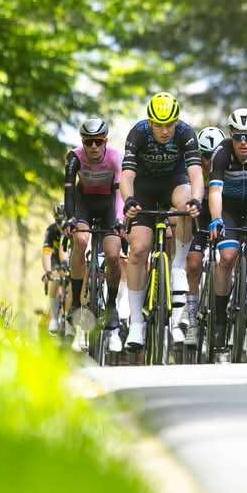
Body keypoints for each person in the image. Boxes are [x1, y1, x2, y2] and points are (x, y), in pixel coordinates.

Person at [120, 92, 203, 351]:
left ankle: (177, 268)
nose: (165, 131)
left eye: (170, 124)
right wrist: (128, 200)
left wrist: (197, 200)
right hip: (144, 187)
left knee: (186, 205)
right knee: (138, 250)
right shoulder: (138, 133)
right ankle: (136, 323)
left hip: (173, 182)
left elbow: (196, 173)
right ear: (150, 122)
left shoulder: (185, 133)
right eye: (159, 125)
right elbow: (127, 176)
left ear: (177, 121)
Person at [202, 112, 247, 349]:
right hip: (229, 207)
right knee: (228, 258)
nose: (243, 142)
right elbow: (215, 191)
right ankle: (220, 320)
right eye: (238, 136)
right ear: (231, 134)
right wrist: (216, 218)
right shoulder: (221, 152)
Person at [62, 117, 124, 352]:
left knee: (113, 254)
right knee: (80, 240)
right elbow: (69, 191)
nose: (94, 147)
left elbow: (120, 192)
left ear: (105, 141)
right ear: (83, 142)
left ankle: (112, 307)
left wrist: (119, 220)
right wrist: (71, 217)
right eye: (89, 142)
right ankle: (76, 303)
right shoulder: (74, 157)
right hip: (84, 203)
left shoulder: (115, 158)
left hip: (109, 204)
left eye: (98, 141)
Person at [183, 125, 227, 348]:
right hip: (200, 217)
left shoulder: (227, 160)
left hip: (223, 214)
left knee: (228, 259)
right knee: (192, 263)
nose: (210, 161)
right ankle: (191, 320)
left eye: (214, 155)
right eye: (206, 156)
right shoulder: (191, 166)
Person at [42, 202, 70, 335]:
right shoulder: (51, 231)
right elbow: (46, 254)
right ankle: (54, 317)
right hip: (57, 261)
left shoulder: (73, 228)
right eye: (58, 221)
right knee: (56, 278)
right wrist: (48, 272)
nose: (61, 224)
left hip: (71, 259)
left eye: (64, 221)